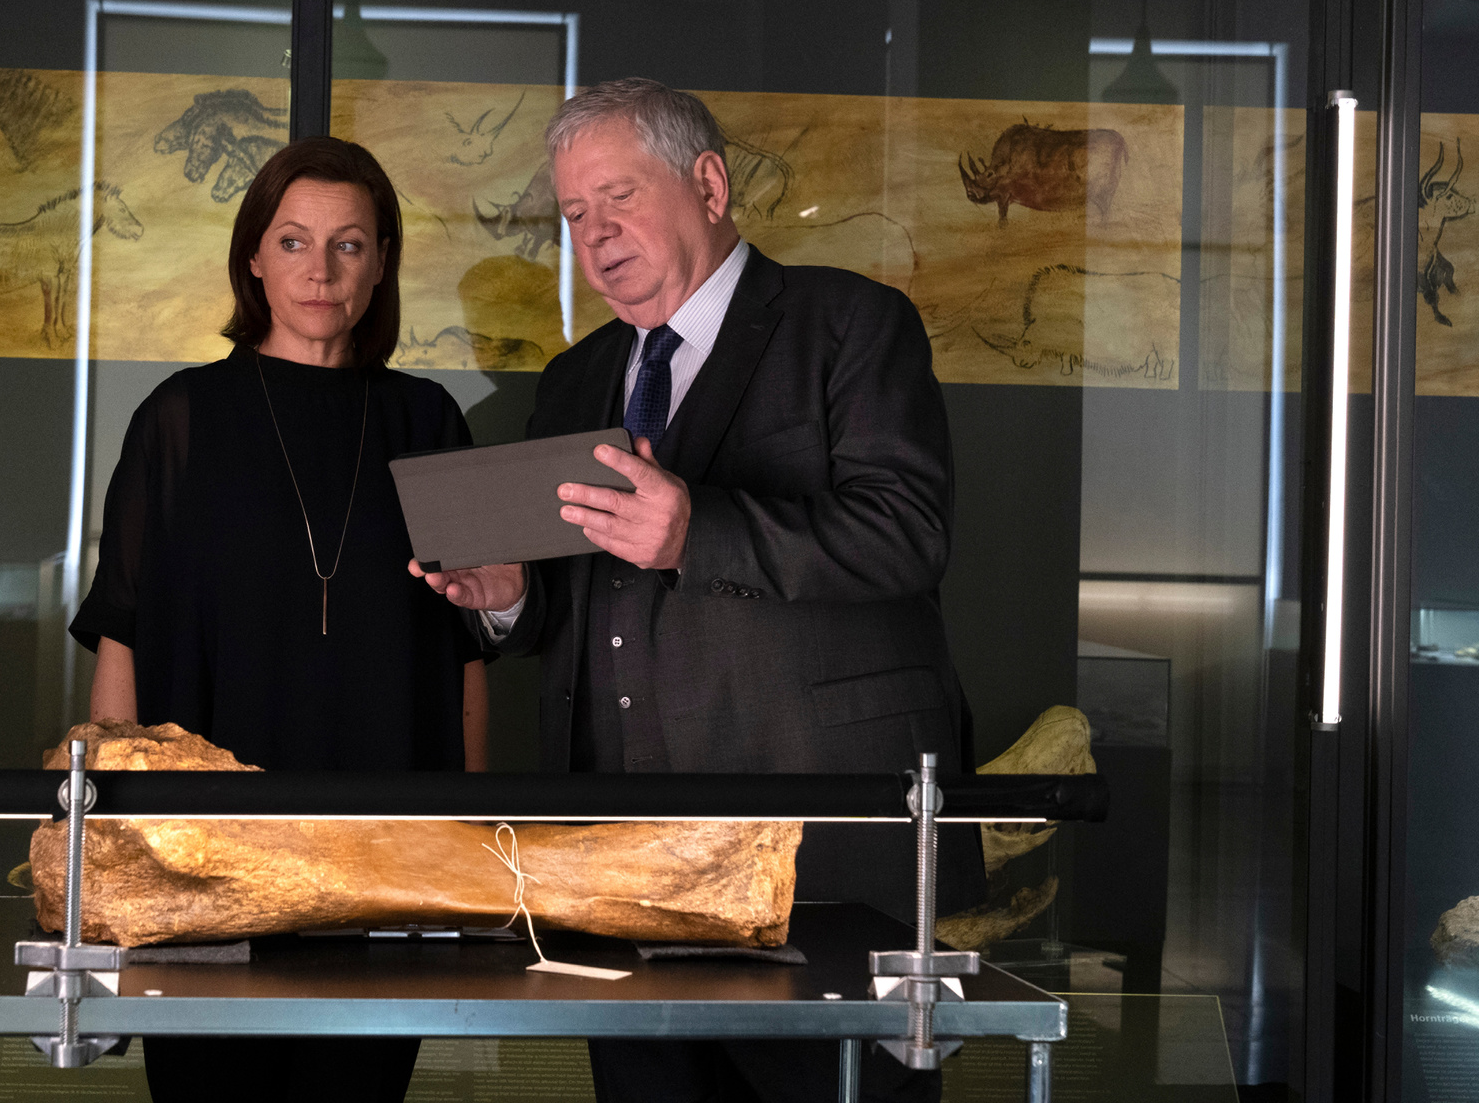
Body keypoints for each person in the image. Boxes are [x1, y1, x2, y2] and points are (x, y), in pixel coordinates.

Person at [413, 79, 983, 1103]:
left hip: (821, 862)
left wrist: (697, 528)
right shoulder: (577, 377)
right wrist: (507, 596)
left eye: (618, 197)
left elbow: (909, 533)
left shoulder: (852, 323)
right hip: (621, 873)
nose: (595, 235)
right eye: (575, 213)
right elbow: (587, 604)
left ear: (710, 185)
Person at [72, 136, 487, 1103]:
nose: (320, 270)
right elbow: (121, 635)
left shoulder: (429, 422)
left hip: (386, 860)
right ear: (253, 256)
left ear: (381, 262)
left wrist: (469, 841)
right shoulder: (177, 417)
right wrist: (111, 848)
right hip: (205, 862)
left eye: (349, 244)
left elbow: (468, 652)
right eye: (294, 241)